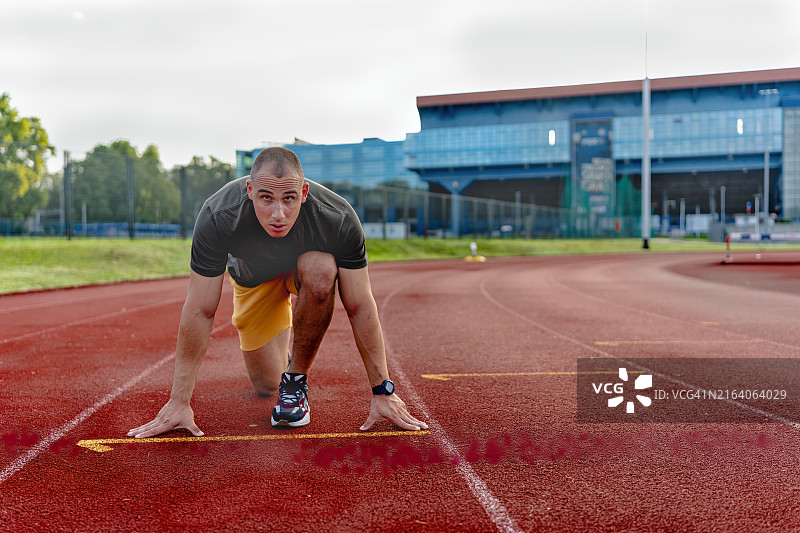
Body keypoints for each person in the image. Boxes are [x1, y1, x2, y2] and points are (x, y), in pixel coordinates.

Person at [128, 147, 427, 438]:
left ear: (304, 193)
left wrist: (383, 391)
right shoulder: (218, 215)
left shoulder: (337, 217)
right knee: (266, 384)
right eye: (266, 198)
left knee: (322, 269)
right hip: (254, 280)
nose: (278, 214)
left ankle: (296, 381)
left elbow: (360, 305)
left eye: (289, 199)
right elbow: (200, 309)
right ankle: (281, 350)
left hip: (304, 271)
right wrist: (179, 401)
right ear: (249, 190)